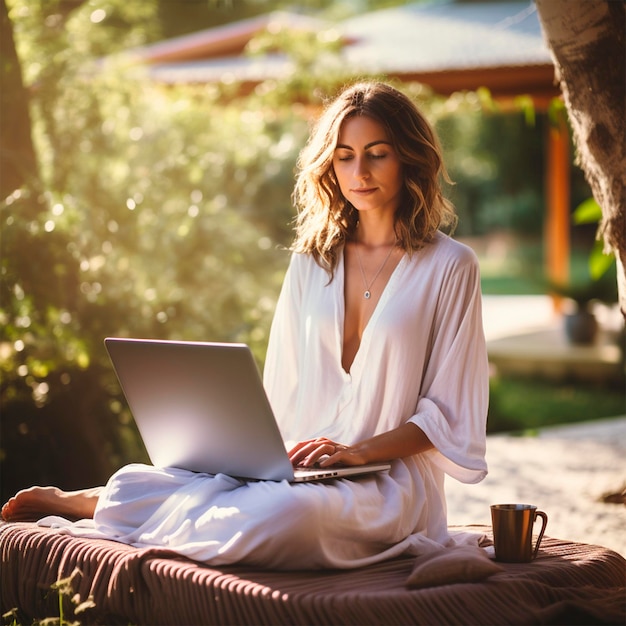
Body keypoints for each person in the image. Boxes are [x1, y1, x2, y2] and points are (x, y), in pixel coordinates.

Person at [1, 81, 489, 569]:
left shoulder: (451, 266)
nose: (358, 172)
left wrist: (359, 454)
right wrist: (258, 462)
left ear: (409, 158)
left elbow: (446, 414)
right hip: (304, 468)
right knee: (139, 478)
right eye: (343, 157)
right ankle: (108, 498)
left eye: (376, 154)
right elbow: (282, 384)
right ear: (329, 165)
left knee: (288, 514)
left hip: (390, 480)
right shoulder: (312, 262)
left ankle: (116, 506)